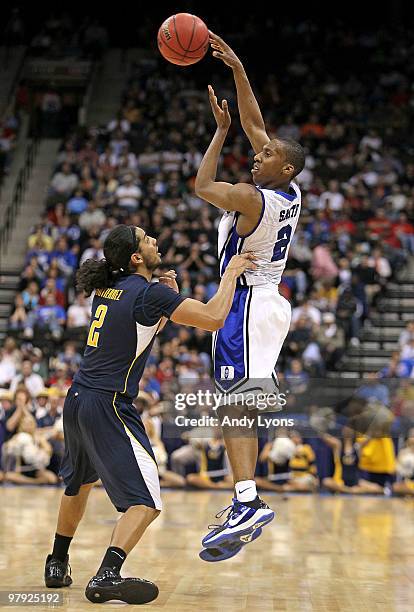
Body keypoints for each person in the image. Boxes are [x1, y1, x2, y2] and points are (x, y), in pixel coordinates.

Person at [44, 224, 255, 605]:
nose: (155, 239)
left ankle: (57, 562)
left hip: (77, 398)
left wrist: (166, 302)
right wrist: (230, 275)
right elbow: (213, 318)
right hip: (109, 404)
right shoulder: (147, 293)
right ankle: (107, 575)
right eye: (146, 239)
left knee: (79, 484)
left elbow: (139, 328)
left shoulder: (107, 290)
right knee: (145, 503)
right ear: (136, 257)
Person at [193, 32, 305, 559]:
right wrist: (238, 68)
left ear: (282, 169)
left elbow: (202, 186)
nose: (257, 154)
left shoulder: (251, 197)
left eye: (266, 155)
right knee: (238, 404)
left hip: (249, 302)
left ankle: (247, 500)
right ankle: (245, 498)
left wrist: (218, 135)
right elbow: (256, 122)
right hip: (269, 304)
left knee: (235, 403)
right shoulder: (291, 189)